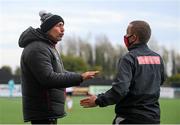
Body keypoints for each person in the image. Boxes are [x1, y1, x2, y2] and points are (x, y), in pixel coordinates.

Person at [18, 10, 99, 124]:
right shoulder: (38, 48)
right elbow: (48, 79)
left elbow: (60, 72)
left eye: (63, 26)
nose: (63, 29)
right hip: (43, 112)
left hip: (47, 112)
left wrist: (80, 76)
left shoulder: (47, 47)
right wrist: (80, 77)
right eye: (59, 25)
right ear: (48, 27)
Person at [80, 20, 166, 124]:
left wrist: (98, 100)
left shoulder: (129, 58)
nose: (125, 36)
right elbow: (160, 81)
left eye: (127, 33)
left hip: (130, 118)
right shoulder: (158, 58)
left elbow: (120, 89)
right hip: (153, 119)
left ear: (133, 37)